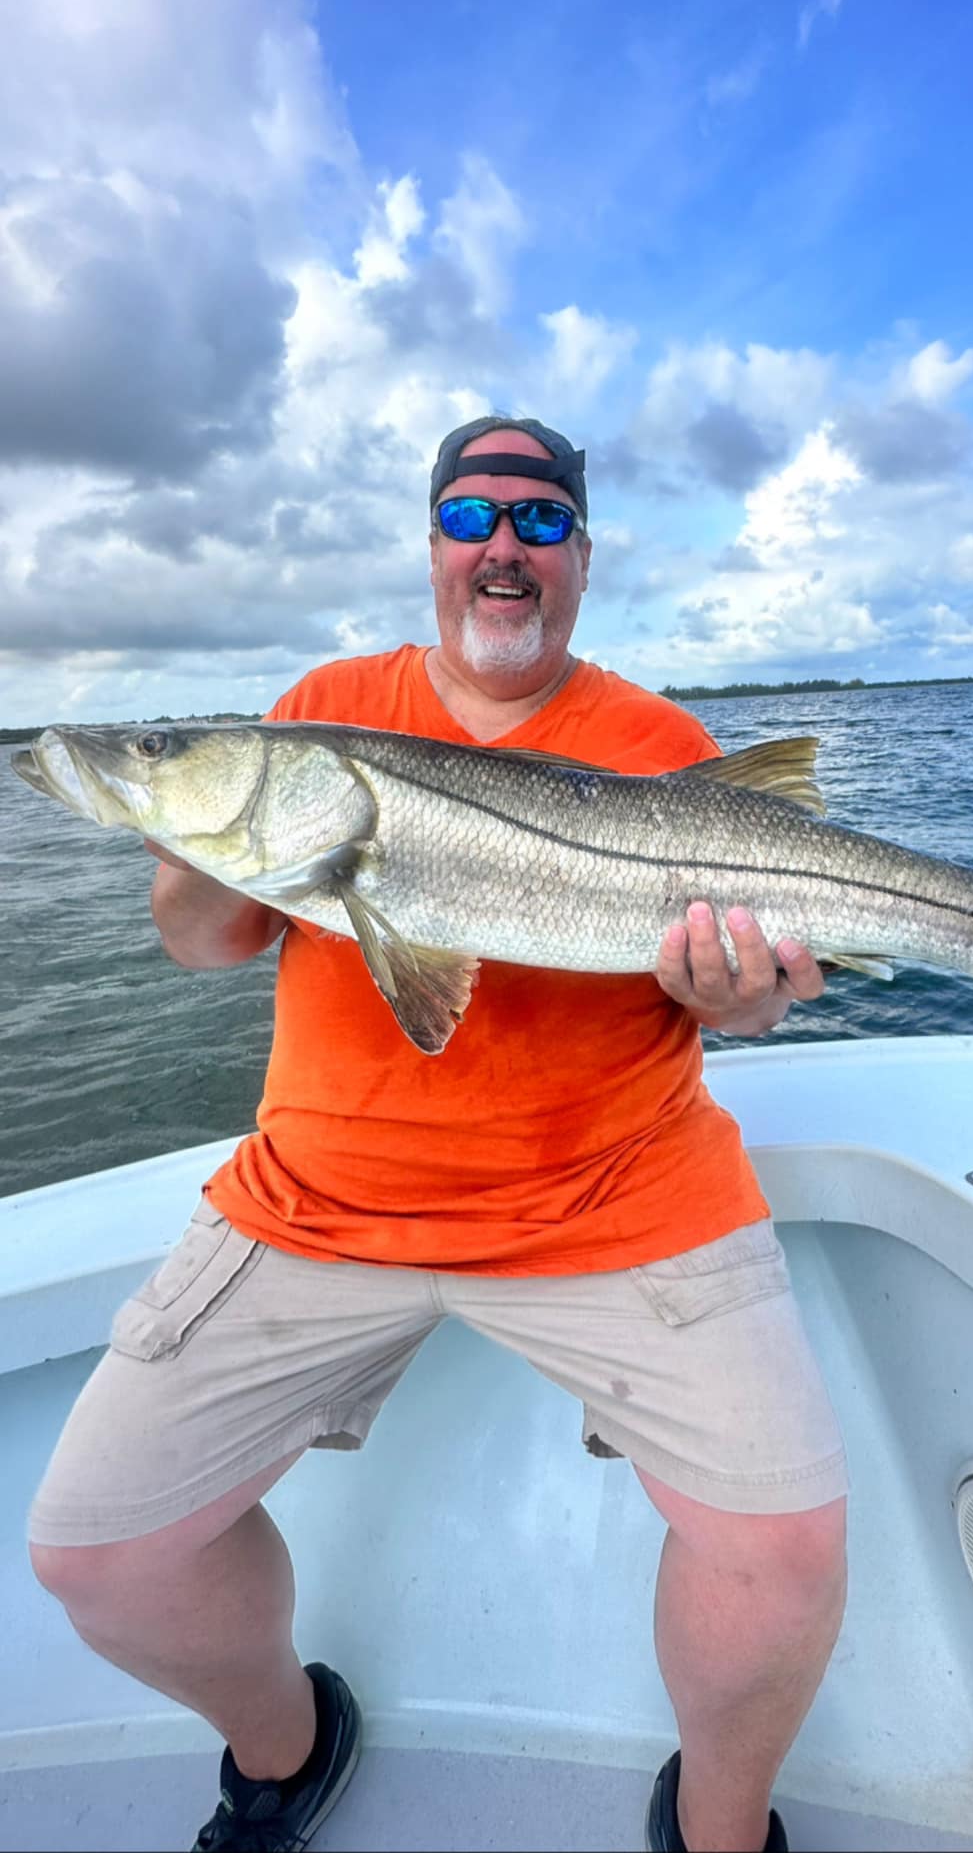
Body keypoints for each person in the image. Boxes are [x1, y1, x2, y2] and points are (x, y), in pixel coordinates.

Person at [28, 417, 848, 1853]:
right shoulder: (323, 709)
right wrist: (190, 825)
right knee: (95, 1555)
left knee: (786, 1550)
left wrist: (749, 996)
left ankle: (721, 1835)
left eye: (540, 523)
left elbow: (739, 1009)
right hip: (317, 1206)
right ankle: (287, 1751)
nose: (504, 549)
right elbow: (206, 943)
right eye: (473, 519)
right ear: (434, 549)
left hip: (622, 1199)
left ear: (581, 557)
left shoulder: (661, 741)